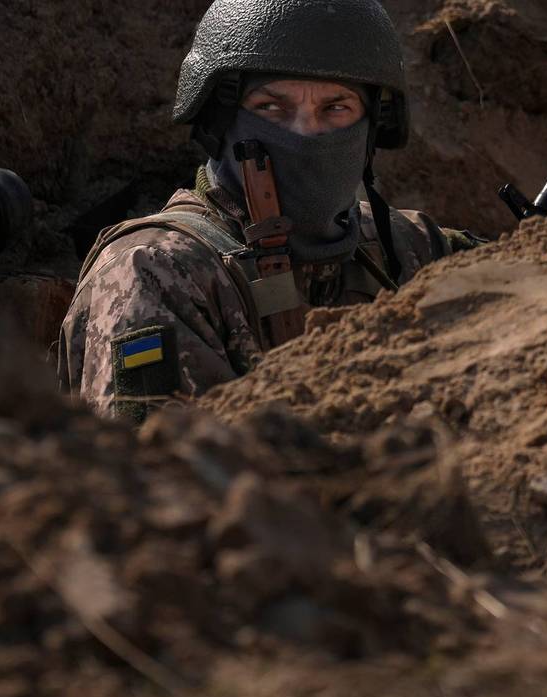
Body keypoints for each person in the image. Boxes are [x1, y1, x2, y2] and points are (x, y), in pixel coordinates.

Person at [59, 0, 485, 422]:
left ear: (371, 126)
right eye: (271, 108)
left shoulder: (408, 248)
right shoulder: (157, 271)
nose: (306, 134)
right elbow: (167, 478)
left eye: (336, 108)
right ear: (220, 120)